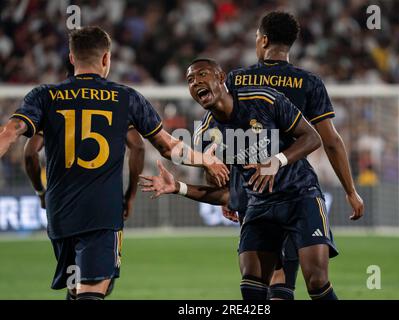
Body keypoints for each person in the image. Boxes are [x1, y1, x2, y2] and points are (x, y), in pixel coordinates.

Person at [0, 26, 228, 300]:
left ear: (72, 58)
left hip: (60, 211)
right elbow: (168, 147)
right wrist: (204, 159)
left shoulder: (45, 95)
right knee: (94, 290)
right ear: (106, 59)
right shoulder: (126, 97)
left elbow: (12, 135)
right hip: (102, 211)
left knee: (76, 288)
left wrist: (40, 192)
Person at [142, 58, 338, 300]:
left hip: (299, 195)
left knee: (317, 281)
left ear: (222, 78)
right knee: (251, 287)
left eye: (202, 74)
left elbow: (312, 138)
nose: (196, 82)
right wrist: (179, 187)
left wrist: (276, 161)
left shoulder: (263, 99)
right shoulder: (206, 136)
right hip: (258, 207)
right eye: (190, 80)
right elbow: (228, 195)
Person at [225, 11, 364, 299]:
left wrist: (231, 190)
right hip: (298, 189)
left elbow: (230, 139)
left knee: (258, 280)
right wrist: (351, 190)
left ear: (262, 40)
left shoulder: (237, 81)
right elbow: (331, 141)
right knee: (311, 281)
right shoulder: (308, 82)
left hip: (256, 194)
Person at [24, 127, 144, 299]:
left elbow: (29, 153)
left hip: (61, 209)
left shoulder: (53, 103)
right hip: (102, 207)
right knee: (95, 284)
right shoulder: (116, 102)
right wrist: (130, 195)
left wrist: (41, 192)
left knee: (75, 284)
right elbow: (138, 146)